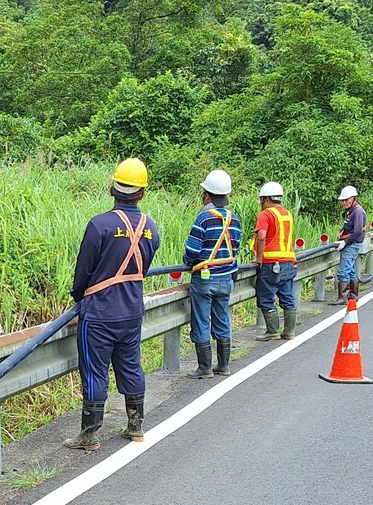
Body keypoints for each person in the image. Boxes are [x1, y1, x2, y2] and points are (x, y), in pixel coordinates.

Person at [65, 158, 161, 450]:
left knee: (95, 370)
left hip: (100, 312)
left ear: (112, 189)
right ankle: (135, 425)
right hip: (132, 310)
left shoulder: (99, 225)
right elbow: (142, 269)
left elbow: (83, 272)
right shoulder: (151, 228)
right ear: (142, 193)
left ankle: (90, 434)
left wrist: (79, 298)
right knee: (131, 365)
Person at [182, 168, 243, 378]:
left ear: (207, 194)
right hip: (226, 278)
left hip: (204, 278)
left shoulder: (203, 218)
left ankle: (204, 368)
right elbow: (235, 249)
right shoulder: (234, 219)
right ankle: (224, 366)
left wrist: (187, 263)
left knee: (201, 320)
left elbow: (192, 251)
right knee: (222, 319)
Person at [252, 182, 298, 341]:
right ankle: (289, 332)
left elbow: (262, 236)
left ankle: (272, 331)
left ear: (265, 199)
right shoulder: (287, 214)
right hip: (288, 262)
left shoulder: (265, 214)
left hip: (271, 263)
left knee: (266, 297)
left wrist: (259, 258)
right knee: (287, 296)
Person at [334, 185, 367, 304]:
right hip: (350, 244)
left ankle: (343, 297)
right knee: (351, 270)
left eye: (347, 200)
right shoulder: (351, 211)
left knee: (343, 271)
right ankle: (353, 295)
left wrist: (345, 241)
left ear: (353, 198)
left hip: (351, 245)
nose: (344, 202)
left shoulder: (357, 212)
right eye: (343, 200)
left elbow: (358, 231)